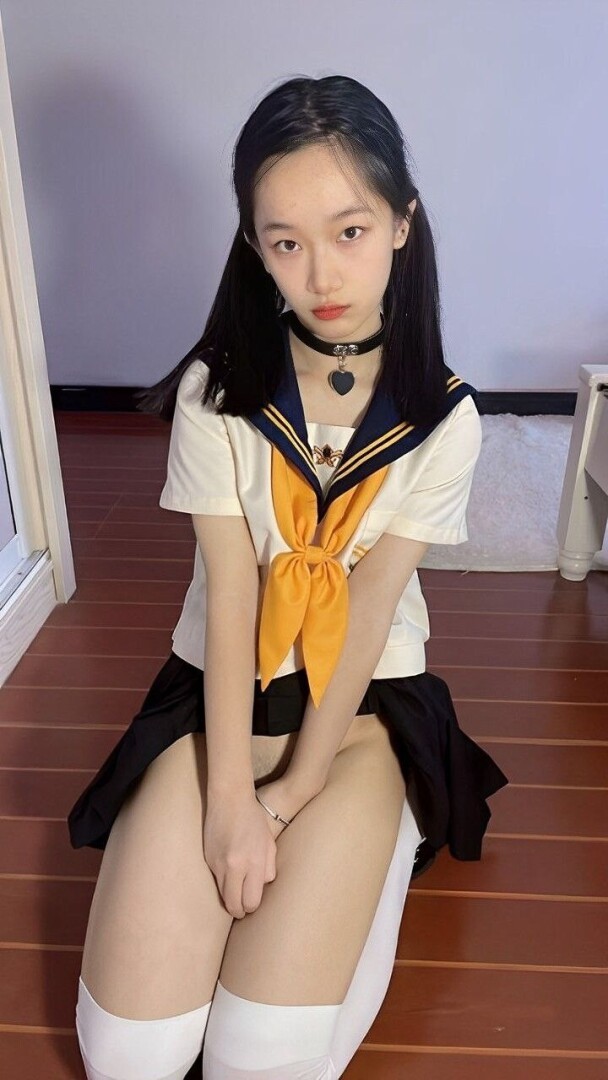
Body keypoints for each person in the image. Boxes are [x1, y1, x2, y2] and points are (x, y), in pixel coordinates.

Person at [67, 74, 509, 1080]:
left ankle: (384, 838)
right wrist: (231, 801)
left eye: (350, 231)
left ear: (402, 223)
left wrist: (293, 793)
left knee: (254, 1061)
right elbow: (231, 596)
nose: (321, 273)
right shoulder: (216, 394)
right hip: (217, 698)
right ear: (254, 246)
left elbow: (372, 607)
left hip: (361, 710)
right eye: (285, 242)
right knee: (129, 1059)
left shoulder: (445, 418)